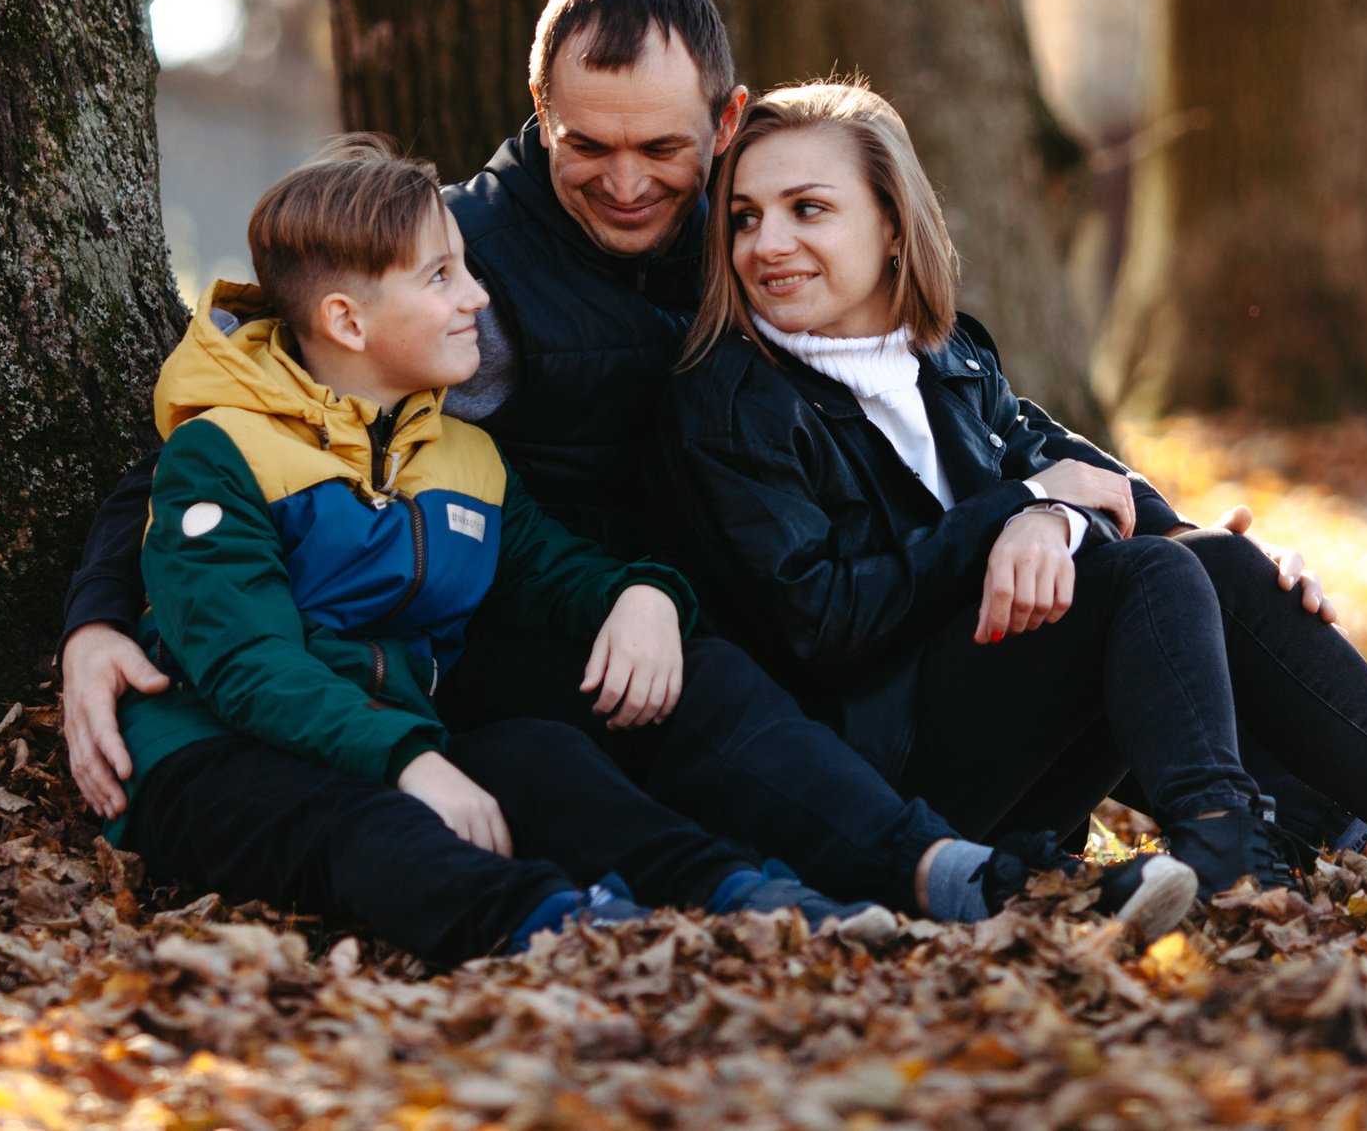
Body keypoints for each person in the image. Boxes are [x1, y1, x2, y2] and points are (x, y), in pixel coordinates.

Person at [64, 0, 1194, 934]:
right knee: (668, 706)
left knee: (1163, 578)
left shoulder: (755, 220)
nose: (625, 180)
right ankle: (891, 884)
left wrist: (1138, 512)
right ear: (540, 111)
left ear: (724, 121)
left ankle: (1203, 841)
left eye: (661, 146)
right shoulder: (463, 269)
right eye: (587, 145)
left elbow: (952, 382)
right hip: (523, 635)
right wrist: (97, 621)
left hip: (757, 589)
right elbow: (227, 433)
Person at [654, 80, 1367, 902]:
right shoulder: (734, 401)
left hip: (1005, 746)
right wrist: (1015, 513)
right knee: (1146, 576)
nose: (767, 243)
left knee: (1204, 561)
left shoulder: (949, 359)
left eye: (808, 209)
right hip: (880, 786)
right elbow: (820, 622)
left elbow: (1084, 476)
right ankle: (1226, 844)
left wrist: (1229, 558)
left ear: (894, 224)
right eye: (745, 217)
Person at [113, 135, 906, 963]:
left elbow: (549, 571)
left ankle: (749, 898)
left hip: (393, 734)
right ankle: (573, 935)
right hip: (205, 750)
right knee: (375, 823)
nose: (478, 297)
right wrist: (410, 760)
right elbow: (250, 664)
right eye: (441, 276)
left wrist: (643, 594)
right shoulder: (221, 452)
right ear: (346, 319)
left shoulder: (460, 453)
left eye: (466, 267)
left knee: (542, 757)